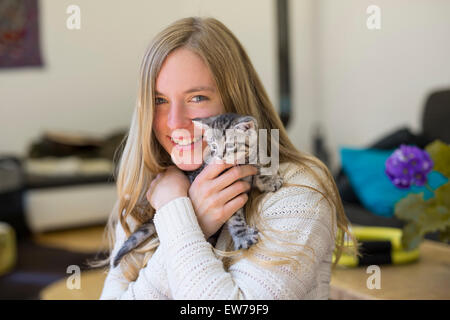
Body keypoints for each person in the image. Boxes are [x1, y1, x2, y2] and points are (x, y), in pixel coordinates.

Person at [97, 17, 357, 300]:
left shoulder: (296, 191)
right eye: (159, 100)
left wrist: (178, 215)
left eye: (197, 98)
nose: (174, 122)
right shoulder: (156, 185)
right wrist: (188, 215)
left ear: (234, 103)